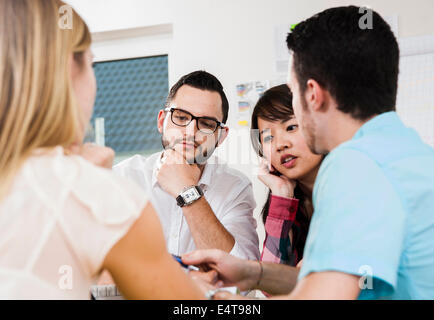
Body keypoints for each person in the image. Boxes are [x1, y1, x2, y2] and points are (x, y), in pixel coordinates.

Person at [183, 6, 434, 300]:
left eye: (294, 90)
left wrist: (215, 300)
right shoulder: (409, 151)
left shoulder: (355, 164)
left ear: (312, 94)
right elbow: (333, 277)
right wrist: (252, 272)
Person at [0, 0, 205, 299]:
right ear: (70, 68)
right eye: (92, 63)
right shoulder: (100, 195)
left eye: (206, 123)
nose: (191, 132)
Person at [113, 71, 259, 260]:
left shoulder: (235, 187)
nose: (191, 132)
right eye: (181, 118)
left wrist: (188, 191)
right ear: (161, 121)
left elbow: (243, 278)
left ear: (221, 136)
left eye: (206, 123)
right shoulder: (124, 177)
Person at [251, 84, 323, 268]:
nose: (280, 145)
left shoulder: (353, 184)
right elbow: (270, 283)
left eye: (291, 127)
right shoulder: (284, 201)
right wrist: (281, 195)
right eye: (268, 138)